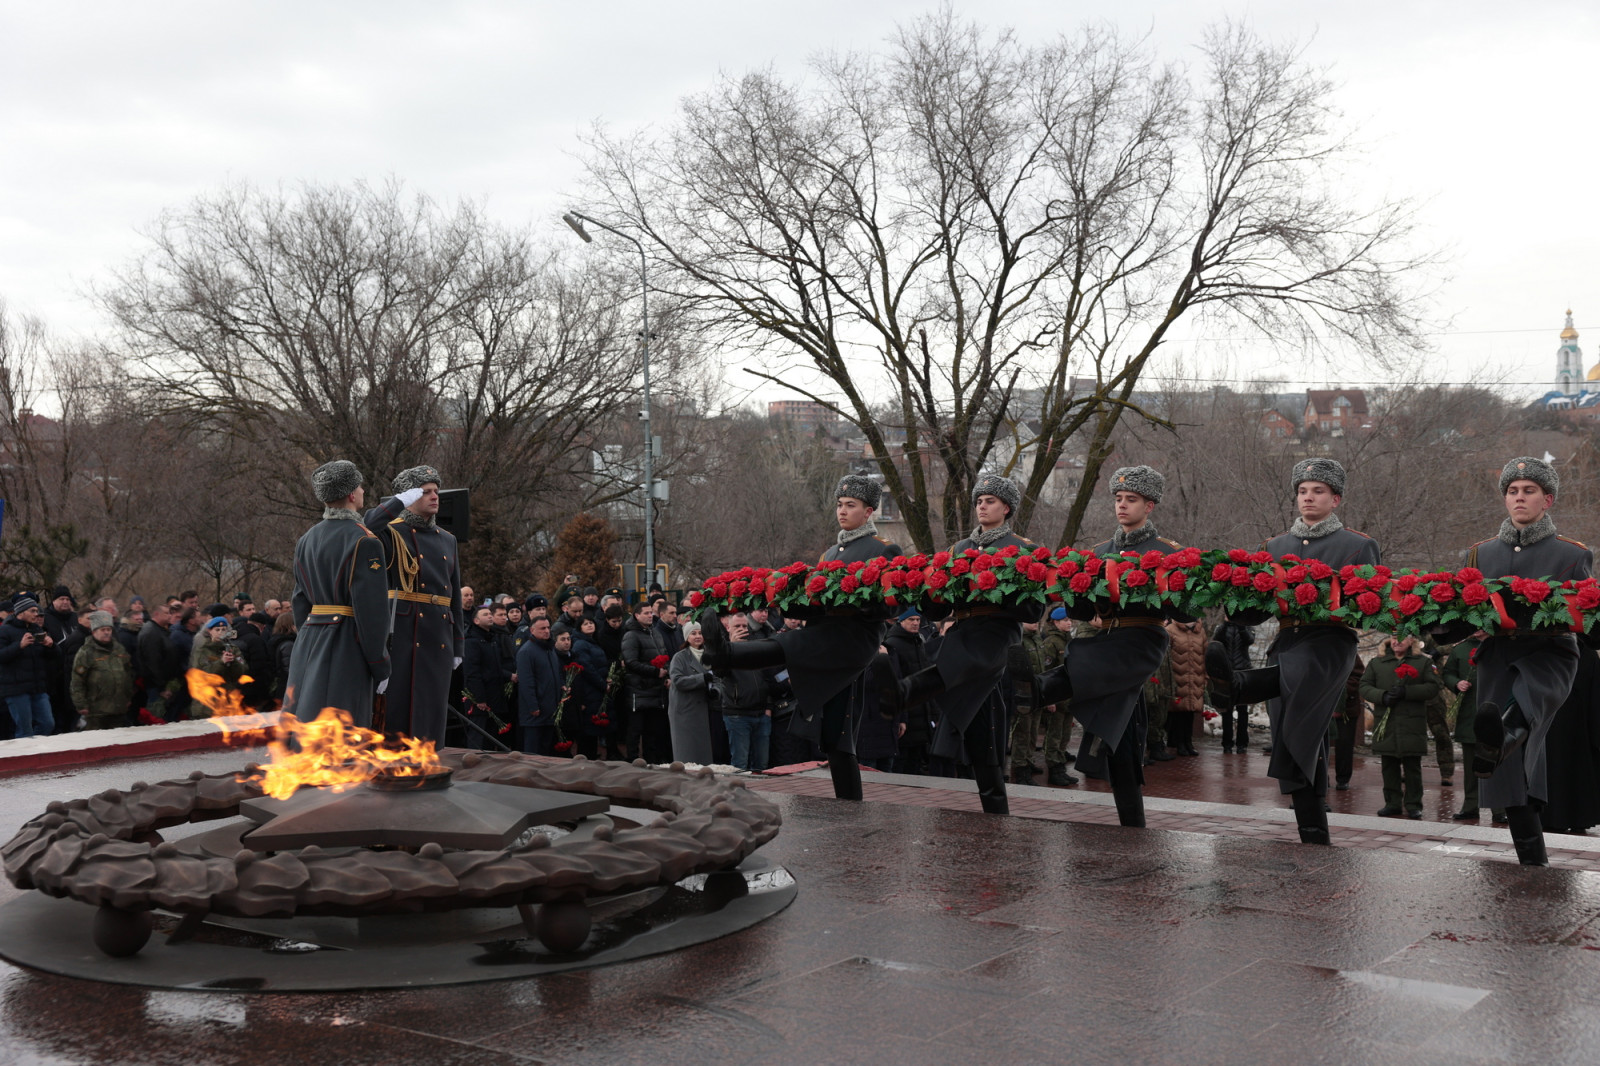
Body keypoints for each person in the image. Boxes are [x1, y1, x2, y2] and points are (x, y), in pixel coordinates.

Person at [1207, 457, 1380, 845]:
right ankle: (1313, 832)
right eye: (1302, 491)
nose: (1308, 498)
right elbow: (1249, 613)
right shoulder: (1273, 546)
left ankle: (1239, 687)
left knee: (1300, 682)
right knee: (1294, 729)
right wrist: (1232, 596)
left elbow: (1368, 608)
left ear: (1335, 499)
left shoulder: (1358, 544)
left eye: (1318, 491)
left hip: (1330, 644)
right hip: (1286, 642)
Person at [703, 474, 903, 800]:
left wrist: (860, 601)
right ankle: (849, 803)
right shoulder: (829, 553)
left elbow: (894, 602)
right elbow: (817, 604)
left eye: (850, 505)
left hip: (854, 638)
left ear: (868, 512)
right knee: (837, 735)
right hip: (827, 633)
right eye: (839, 505)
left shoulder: (883, 549)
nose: (842, 511)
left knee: (790, 644)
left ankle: (727, 655)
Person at [1035, 465, 1185, 827]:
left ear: (1149, 506)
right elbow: (1084, 610)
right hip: (1106, 640)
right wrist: (1075, 591)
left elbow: (1184, 609)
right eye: (1118, 499)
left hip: (1140, 642)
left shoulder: (1168, 551)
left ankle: (1044, 686)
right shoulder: (1099, 551)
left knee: (1085, 661)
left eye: (1131, 500)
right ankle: (1132, 818)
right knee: (1123, 732)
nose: (1122, 506)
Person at [891, 473, 1046, 815]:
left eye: (989, 501)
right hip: (962, 637)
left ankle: (904, 692)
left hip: (993, 642)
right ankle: (994, 804)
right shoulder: (959, 549)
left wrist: (996, 589)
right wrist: (924, 590)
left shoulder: (1024, 549)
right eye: (978, 500)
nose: (982, 506)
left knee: (981, 719)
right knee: (982, 732)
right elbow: (939, 608)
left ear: (1006, 508)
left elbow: (1034, 609)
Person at [1465, 456, 1593, 866]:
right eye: (1512, 491)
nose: (1519, 498)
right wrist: (1471, 626)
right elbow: (1459, 609)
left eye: (1529, 491)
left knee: (1523, 714)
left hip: (1549, 655)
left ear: (1547, 499)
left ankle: (1499, 737)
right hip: (1498, 656)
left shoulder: (1571, 554)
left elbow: (1585, 613)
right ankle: (1532, 861)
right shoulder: (1480, 553)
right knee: (1513, 771)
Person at [284, 460, 392, 727]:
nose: (364, 491)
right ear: (351, 495)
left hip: (309, 640)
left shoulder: (306, 539)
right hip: (347, 643)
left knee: (305, 727)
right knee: (342, 733)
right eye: (360, 486)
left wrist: (311, 636)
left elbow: (299, 601)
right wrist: (380, 662)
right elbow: (372, 612)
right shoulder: (365, 541)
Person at [365, 465, 464, 742]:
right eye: (425, 492)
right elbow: (364, 527)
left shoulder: (448, 539)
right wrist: (398, 503)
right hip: (405, 631)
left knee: (432, 712)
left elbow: (454, 596)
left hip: (439, 634)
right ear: (408, 496)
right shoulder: (390, 531)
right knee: (399, 709)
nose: (435, 497)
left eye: (436, 491)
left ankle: (429, 763)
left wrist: (458, 643)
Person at [1361, 634, 1441, 819]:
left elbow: (1433, 687)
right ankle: (1392, 803)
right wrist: (1382, 696)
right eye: (1394, 638)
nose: (1397, 642)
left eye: (1402, 638)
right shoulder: (1377, 662)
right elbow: (1364, 686)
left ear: (1411, 641)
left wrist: (1408, 691)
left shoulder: (1422, 662)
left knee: (1412, 765)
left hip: (1411, 721)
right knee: (1388, 764)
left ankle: (1414, 804)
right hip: (1386, 721)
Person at [718, 612, 776, 771]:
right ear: (728, 626)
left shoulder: (755, 646)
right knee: (740, 765)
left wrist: (769, 707)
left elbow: (767, 677)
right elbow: (720, 672)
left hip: (761, 713)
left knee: (762, 765)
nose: (742, 629)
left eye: (744, 626)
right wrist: (732, 647)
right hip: (738, 715)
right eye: (737, 626)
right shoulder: (722, 648)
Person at [621, 600, 673, 763]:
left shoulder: (655, 633)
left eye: (651, 612)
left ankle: (652, 761)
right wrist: (655, 671)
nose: (650, 616)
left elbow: (664, 655)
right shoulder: (631, 635)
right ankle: (633, 761)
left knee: (653, 730)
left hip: (656, 690)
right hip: (639, 689)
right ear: (637, 615)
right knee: (635, 730)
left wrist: (666, 674)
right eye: (646, 613)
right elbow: (631, 662)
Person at [884, 610, 934, 777]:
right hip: (906, 712)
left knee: (915, 763)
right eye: (911, 619)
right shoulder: (893, 644)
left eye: (918, 619)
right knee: (901, 764)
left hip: (921, 712)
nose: (916, 623)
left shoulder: (918, 642)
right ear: (901, 621)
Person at [0, 598, 57, 737]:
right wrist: (19, 646)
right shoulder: (4, 631)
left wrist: (51, 646)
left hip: (38, 688)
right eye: (32, 611)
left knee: (48, 724)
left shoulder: (37, 629)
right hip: (16, 689)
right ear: (20, 612)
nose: (36, 614)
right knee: (25, 730)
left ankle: (35, 751)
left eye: (37, 611)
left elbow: (53, 657)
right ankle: (22, 756)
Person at [71, 611, 134, 730]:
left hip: (119, 707)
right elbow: (77, 681)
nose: (106, 633)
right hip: (96, 710)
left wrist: (128, 696)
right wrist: (81, 704)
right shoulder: (86, 652)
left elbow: (128, 674)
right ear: (94, 631)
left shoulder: (119, 649)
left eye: (109, 630)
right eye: (103, 630)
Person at [463, 604, 514, 747]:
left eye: (490, 614)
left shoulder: (491, 640)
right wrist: (479, 699)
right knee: (478, 738)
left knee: (491, 740)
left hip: (494, 697)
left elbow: (494, 669)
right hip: (480, 701)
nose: (490, 616)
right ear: (476, 621)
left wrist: (507, 676)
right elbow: (472, 673)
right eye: (485, 615)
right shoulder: (471, 642)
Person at [668, 621, 716, 764]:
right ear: (686, 637)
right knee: (687, 752)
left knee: (704, 752)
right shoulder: (680, 657)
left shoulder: (710, 655)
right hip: (685, 710)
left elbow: (718, 677)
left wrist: (716, 691)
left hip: (705, 708)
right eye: (693, 633)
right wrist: (702, 678)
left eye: (700, 633)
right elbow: (677, 680)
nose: (697, 636)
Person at [1161, 618, 1208, 757]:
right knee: (1179, 712)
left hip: (1196, 678)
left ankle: (1188, 742)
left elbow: (1205, 654)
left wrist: (1206, 677)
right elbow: (1165, 656)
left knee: (1190, 712)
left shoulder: (1201, 632)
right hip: (1178, 678)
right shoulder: (1170, 631)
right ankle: (1179, 743)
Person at [515, 615, 561, 755]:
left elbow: (554, 674)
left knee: (546, 749)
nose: (547, 631)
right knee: (533, 751)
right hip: (535, 712)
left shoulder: (550, 649)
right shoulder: (526, 651)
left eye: (548, 628)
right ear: (532, 630)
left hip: (549, 708)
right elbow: (526, 682)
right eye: (542, 628)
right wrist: (533, 706)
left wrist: (561, 686)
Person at [189, 617, 247, 717]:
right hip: (207, 704)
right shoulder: (202, 650)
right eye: (217, 630)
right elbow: (202, 675)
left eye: (223, 629)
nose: (220, 632)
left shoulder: (233, 649)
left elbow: (242, 671)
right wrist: (221, 662)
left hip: (228, 701)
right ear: (209, 631)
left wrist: (233, 662)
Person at [136, 603, 183, 722]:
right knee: (157, 719)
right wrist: (161, 688)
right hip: (156, 687)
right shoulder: (151, 632)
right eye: (166, 613)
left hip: (165, 683)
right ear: (156, 614)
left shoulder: (161, 630)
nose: (169, 616)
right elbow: (152, 663)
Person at [268, 613, 296, 704]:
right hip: (287, 688)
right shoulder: (288, 644)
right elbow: (290, 669)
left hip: (279, 686)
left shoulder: (275, 640)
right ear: (290, 626)